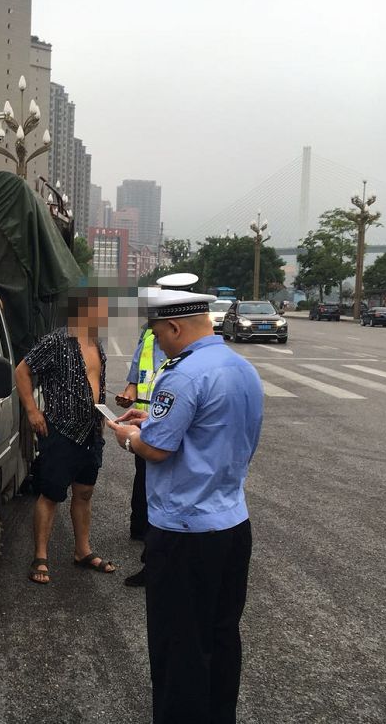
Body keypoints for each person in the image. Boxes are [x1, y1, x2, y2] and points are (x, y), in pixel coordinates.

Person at [106, 287, 263, 724]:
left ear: (174, 327)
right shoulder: (242, 367)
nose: (157, 341)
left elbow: (156, 450)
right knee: (221, 635)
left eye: (158, 333)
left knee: (179, 645)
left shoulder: (182, 374)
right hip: (232, 522)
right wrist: (151, 422)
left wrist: (129, 436)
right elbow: (211, 431)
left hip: (184, 532)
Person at [16, 287, 116, 584]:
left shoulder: (96, 342)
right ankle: (41, 556)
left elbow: (94, 381)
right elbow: (22, 371)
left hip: (90, 432)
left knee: (84, 493)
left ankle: (82, 551)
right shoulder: (56, 341)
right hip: (60, 430)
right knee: (51, 494)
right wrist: (33, 413)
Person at [116, 272, 200, 588]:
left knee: (164, 490)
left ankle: (158, 562)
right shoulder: (152, 337)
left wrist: (131, 440)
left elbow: (157, 449)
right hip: (150, 416)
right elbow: (139, 371)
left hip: (159, 425)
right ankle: (149, 541)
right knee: (151, 486)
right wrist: (133, 397)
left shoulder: (189, 359)